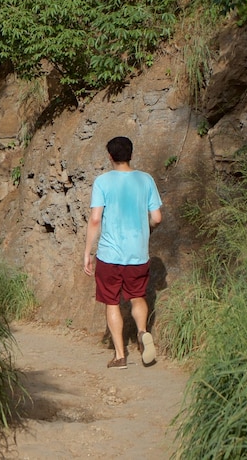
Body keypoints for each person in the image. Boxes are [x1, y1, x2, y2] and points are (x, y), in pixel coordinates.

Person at [83, 136, 163, 369]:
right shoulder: (145, 180)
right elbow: (157, 217)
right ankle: (142, 332)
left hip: (109, 255)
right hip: (138, 254)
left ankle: (120, 356)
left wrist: (87, 251)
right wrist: (147, 229)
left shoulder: (103, 182)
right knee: (138, 297)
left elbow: (96, 219)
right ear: (131, 154)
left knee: (112, 302)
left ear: (110, 156)